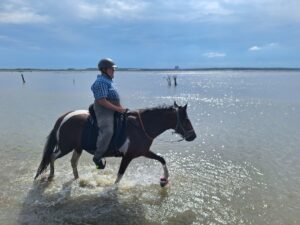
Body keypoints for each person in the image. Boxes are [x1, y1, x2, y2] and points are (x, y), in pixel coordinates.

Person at [91, 58, 128, 169]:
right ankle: (97, 156)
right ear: (104, 69)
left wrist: (123, 110)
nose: (114, 71)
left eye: (113, 69)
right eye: (112, 69)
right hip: (104, 110)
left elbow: (116, 99)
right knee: (108, 131)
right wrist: (118, 109)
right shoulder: (100, 82)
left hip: (114, 108)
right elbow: (102, 101)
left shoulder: (110, 81)